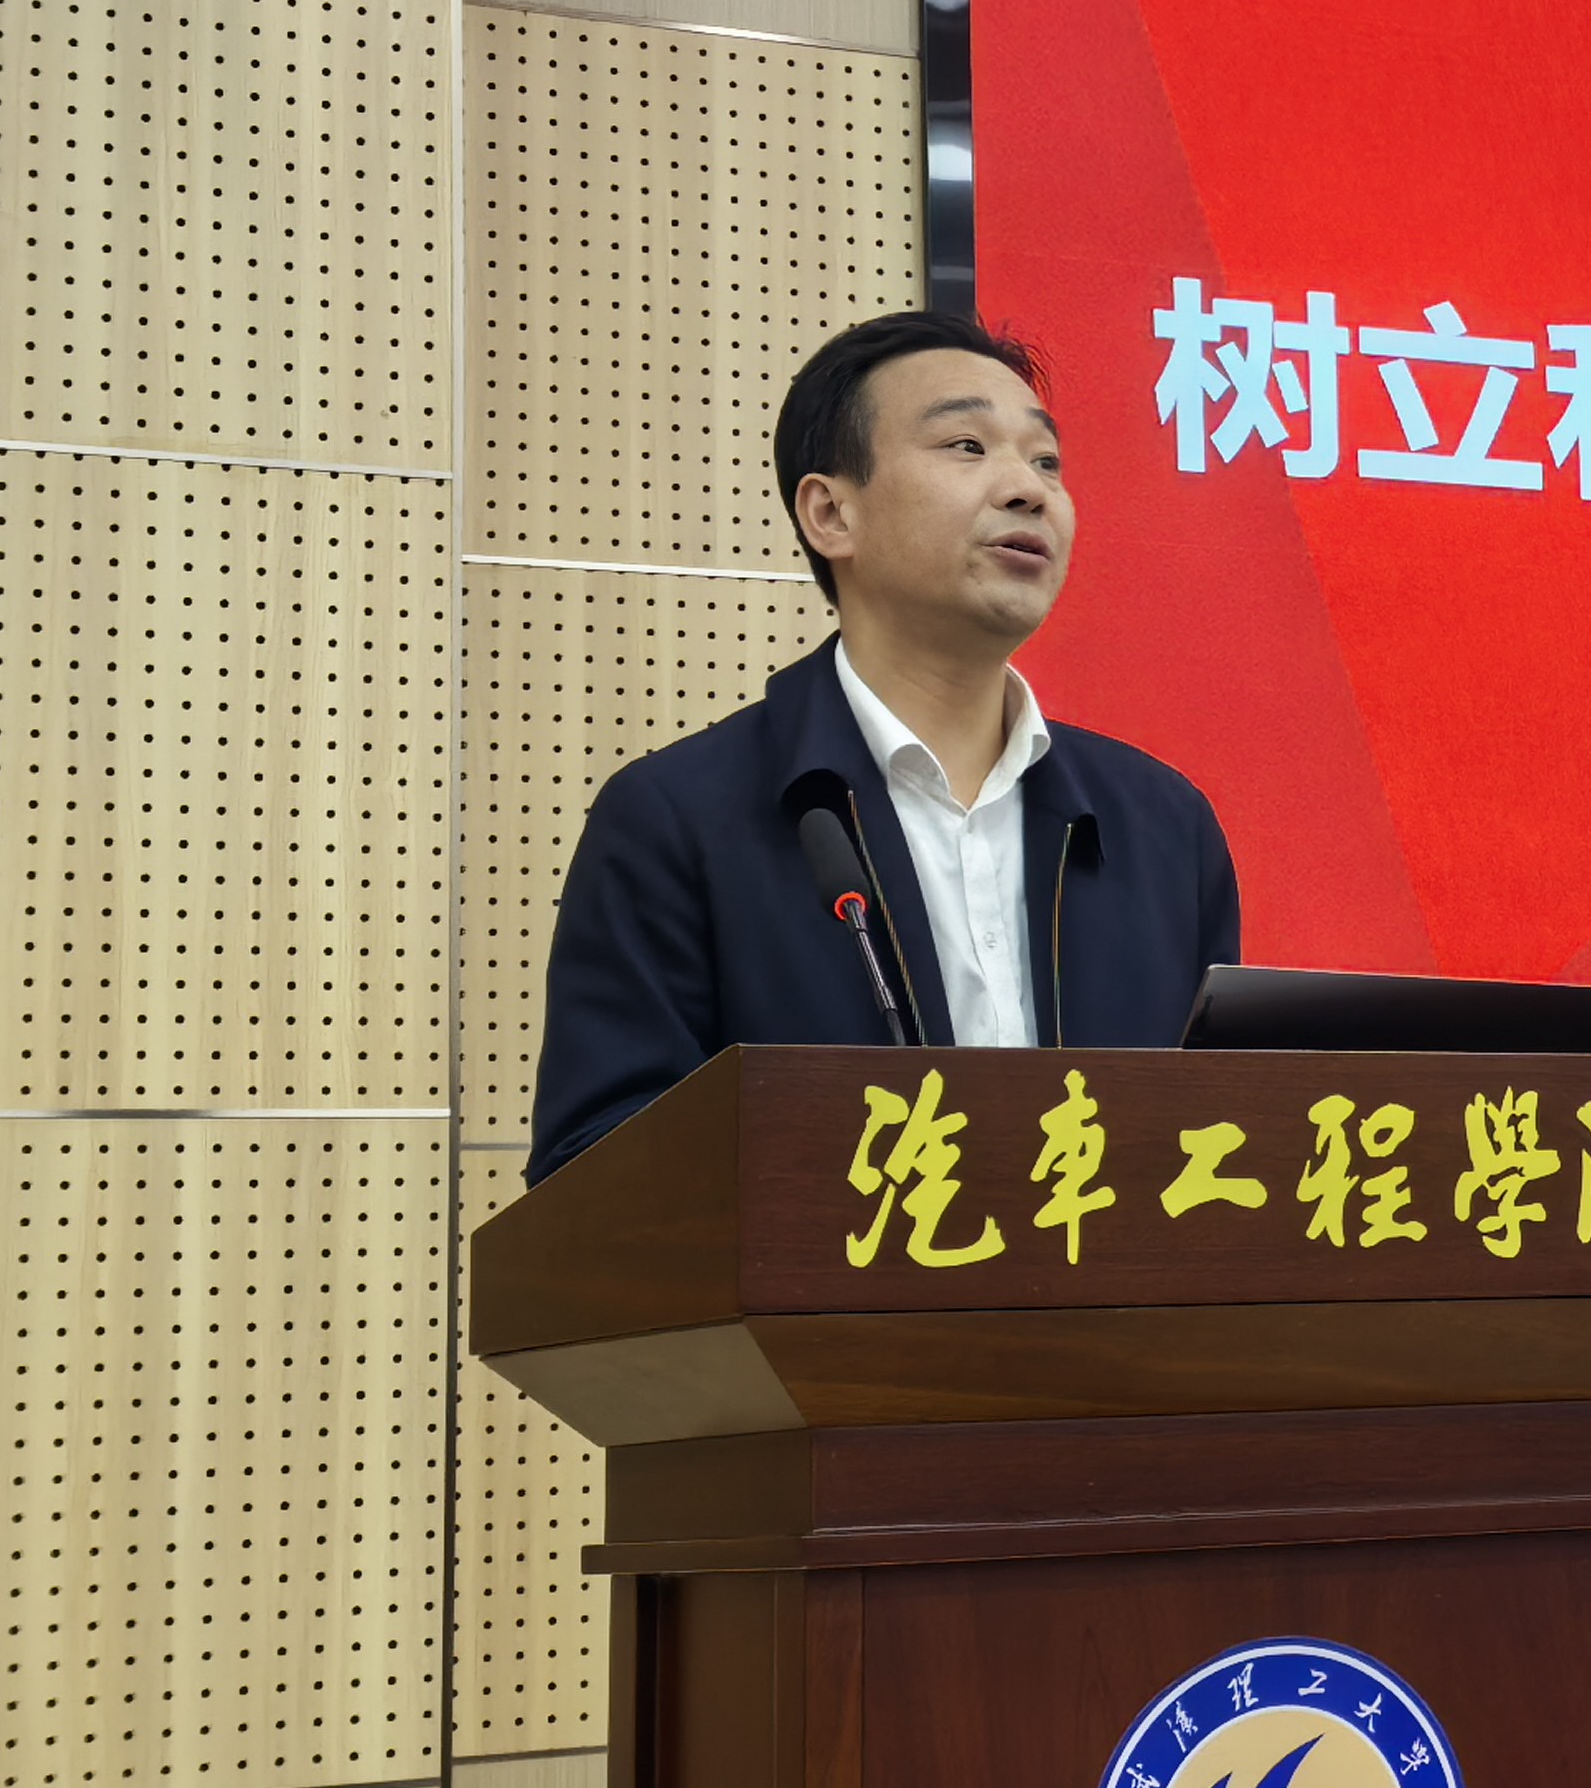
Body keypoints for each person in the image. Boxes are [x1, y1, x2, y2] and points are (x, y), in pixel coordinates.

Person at [525, 312, 1240, 1179]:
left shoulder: (1162, 827)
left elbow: (1225, 1142)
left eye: (1046, 461)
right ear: (831, 513)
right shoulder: (680, 820)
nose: (1029, 490)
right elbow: (594, 1173)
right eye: (967, 446)